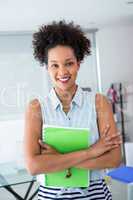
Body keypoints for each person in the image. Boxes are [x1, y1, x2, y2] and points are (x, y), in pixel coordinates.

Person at [24, 20, 122, 200]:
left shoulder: (100, 103)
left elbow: (114, 159)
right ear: (46, 67)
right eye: (54, 65)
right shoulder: (36, 108)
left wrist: (56, 159)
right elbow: (33, 166)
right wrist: (91, 152)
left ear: (78, 63)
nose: (62, 72)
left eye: (68, 63)